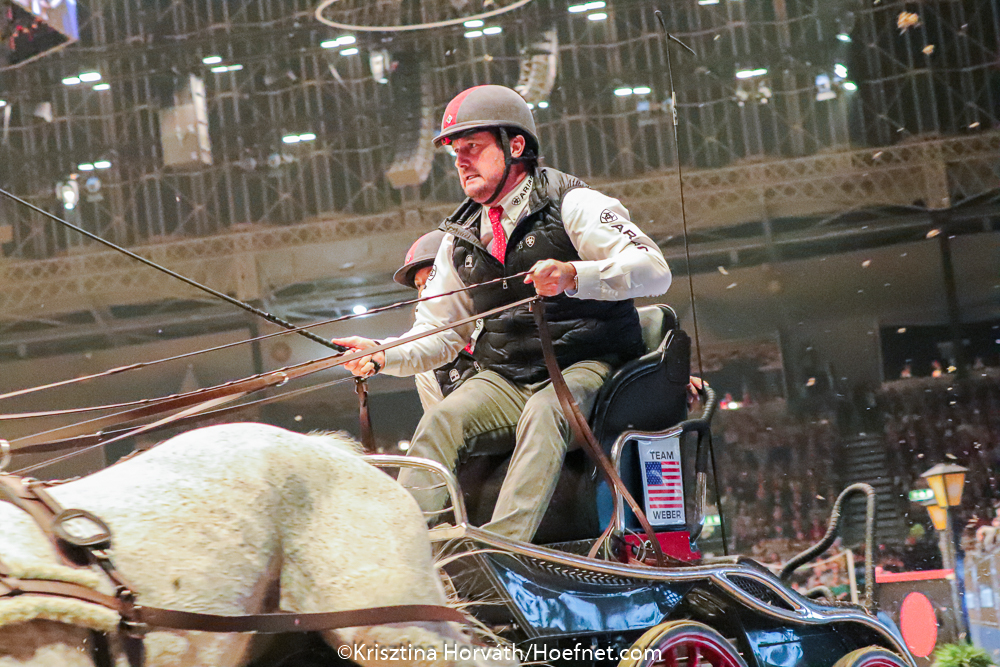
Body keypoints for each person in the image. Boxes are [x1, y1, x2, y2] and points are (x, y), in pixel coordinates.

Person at [333, 84, 672, 542]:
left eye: (472, 147)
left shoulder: (575, 204)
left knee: (545, 412)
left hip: (588, 366)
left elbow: (654, 271)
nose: (461, 161)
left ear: (515, 147)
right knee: (441, 420)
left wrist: (575, 274)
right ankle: (403, 545)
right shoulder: (458, 239)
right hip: (508, 376)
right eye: (455, 152)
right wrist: (381, 353)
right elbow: (440, 332)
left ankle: (502, 548)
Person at [393, 230, 479, 410]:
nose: (424, 291)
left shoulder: (500, 320)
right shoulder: (428, 369)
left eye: (432, 277)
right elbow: (437, 421)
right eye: (419, 285)